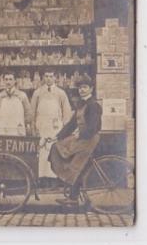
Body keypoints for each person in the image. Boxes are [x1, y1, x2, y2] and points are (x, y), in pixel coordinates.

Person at [49, 75, 102, 206]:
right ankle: (72, 192)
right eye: (80, 87)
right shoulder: (81, 104)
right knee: (57, 146)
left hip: (89, 139)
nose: (82, 90)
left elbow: (94, 126)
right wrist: (58, 136)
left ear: (91, 89)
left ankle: (73, 197)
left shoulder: (93, 105)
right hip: (82, 138)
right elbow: (72, 124)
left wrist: (81, 135)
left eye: (85, 87)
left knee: (77, 165)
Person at [30, 72, 72, 187]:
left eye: (51, 76)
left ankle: (54, 179)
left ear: (55, 78)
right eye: (46, 76)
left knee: (53, 152)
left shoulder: (61, 93)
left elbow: (66, 112)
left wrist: (64, 130)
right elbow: (32, 113)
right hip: (41, 127)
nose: (48, 79)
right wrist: (33, 128)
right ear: (43, 78)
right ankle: (41, 179)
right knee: (41, 153)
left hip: (55, 128)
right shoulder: (37, 93)